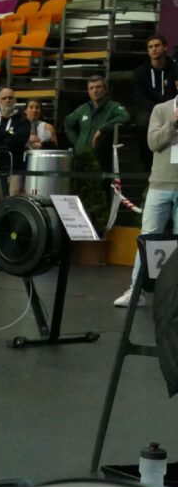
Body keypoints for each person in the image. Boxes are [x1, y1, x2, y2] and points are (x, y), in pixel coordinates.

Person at [114, 94, 178, 308]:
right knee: (147, 238)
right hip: (159, 185)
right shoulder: (161, 109)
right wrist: (173, 122)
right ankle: (136, 290)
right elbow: (153, 143)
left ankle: (174, 295)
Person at [63, 75, 129, 170]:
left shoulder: (113, 107)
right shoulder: (83, 109)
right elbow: (67, 122)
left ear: (105, 90)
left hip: (101, 160)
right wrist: (77, 142)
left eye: (98, 87)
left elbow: (125, 117)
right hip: (80, 159)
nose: (95, 90)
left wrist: (101, 129)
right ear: (88, 91)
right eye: (91, 88)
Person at [133, 35, 178, 171]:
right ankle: (146, 163)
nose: (154, 49)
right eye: (150, 47)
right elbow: (139, 97)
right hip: (150, 108)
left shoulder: (175, 68)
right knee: (142, 122)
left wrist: (168, 108)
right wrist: (157, 109)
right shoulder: (141, 71)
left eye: (157, 45)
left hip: (172, 106)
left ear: (165, 48)